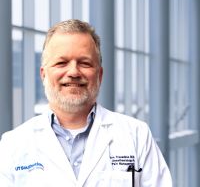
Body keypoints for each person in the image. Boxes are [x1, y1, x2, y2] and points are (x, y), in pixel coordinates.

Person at [0, 19, 172, 187]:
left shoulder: (137, 136)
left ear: (100, 75)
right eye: (61, 63)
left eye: (85, 63)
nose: (74, 72)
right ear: (44, 74)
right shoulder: (13, 144)